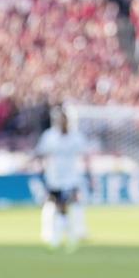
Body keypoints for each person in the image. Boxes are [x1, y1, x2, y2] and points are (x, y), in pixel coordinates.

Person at [34, 107, 92, 251]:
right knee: (55, 206)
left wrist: (88, 174)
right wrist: (41, 172)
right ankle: (52, 234)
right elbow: (40, 154)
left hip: (71, 178)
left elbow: (85, 155)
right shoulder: (49, 136)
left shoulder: (76, 137)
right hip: (54, 178)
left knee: (71, 204)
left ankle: (73, 234)